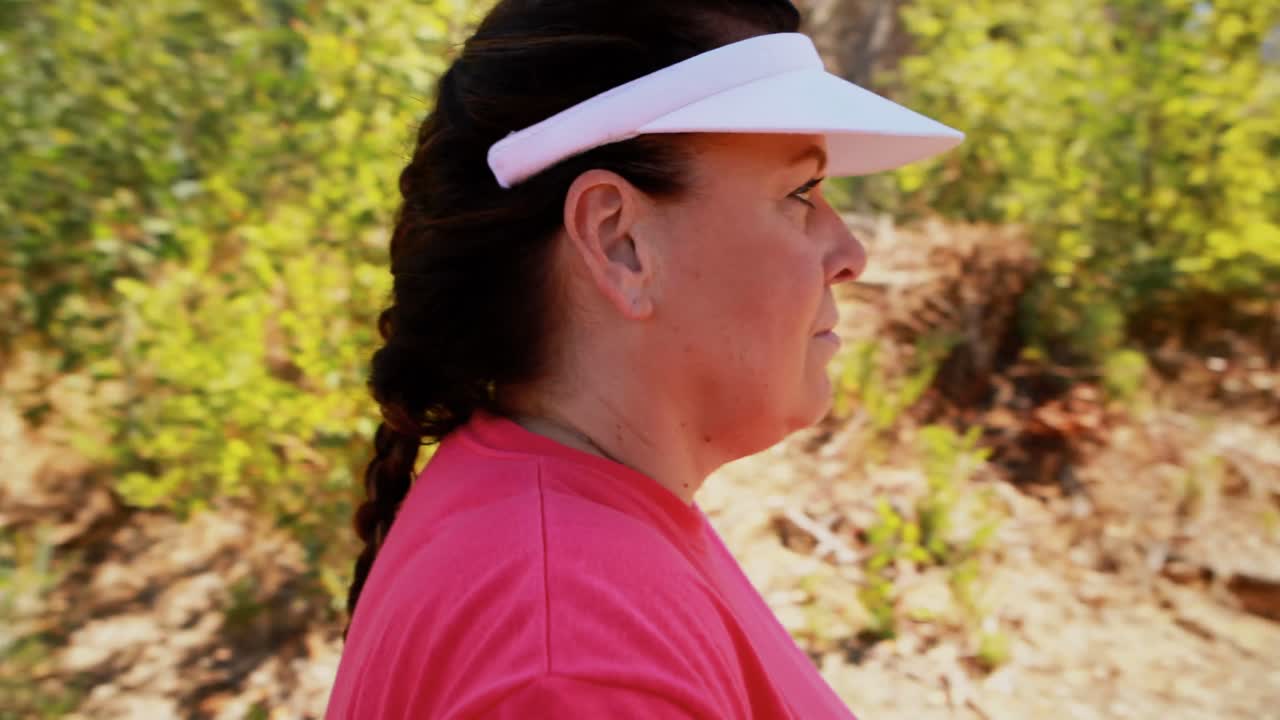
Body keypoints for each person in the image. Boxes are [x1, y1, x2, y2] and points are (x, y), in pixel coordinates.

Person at [325, 1, 961, 717]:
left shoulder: (560, 532)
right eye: (800, 193)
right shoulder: (577, 653)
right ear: (619, 240)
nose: (850, 255)